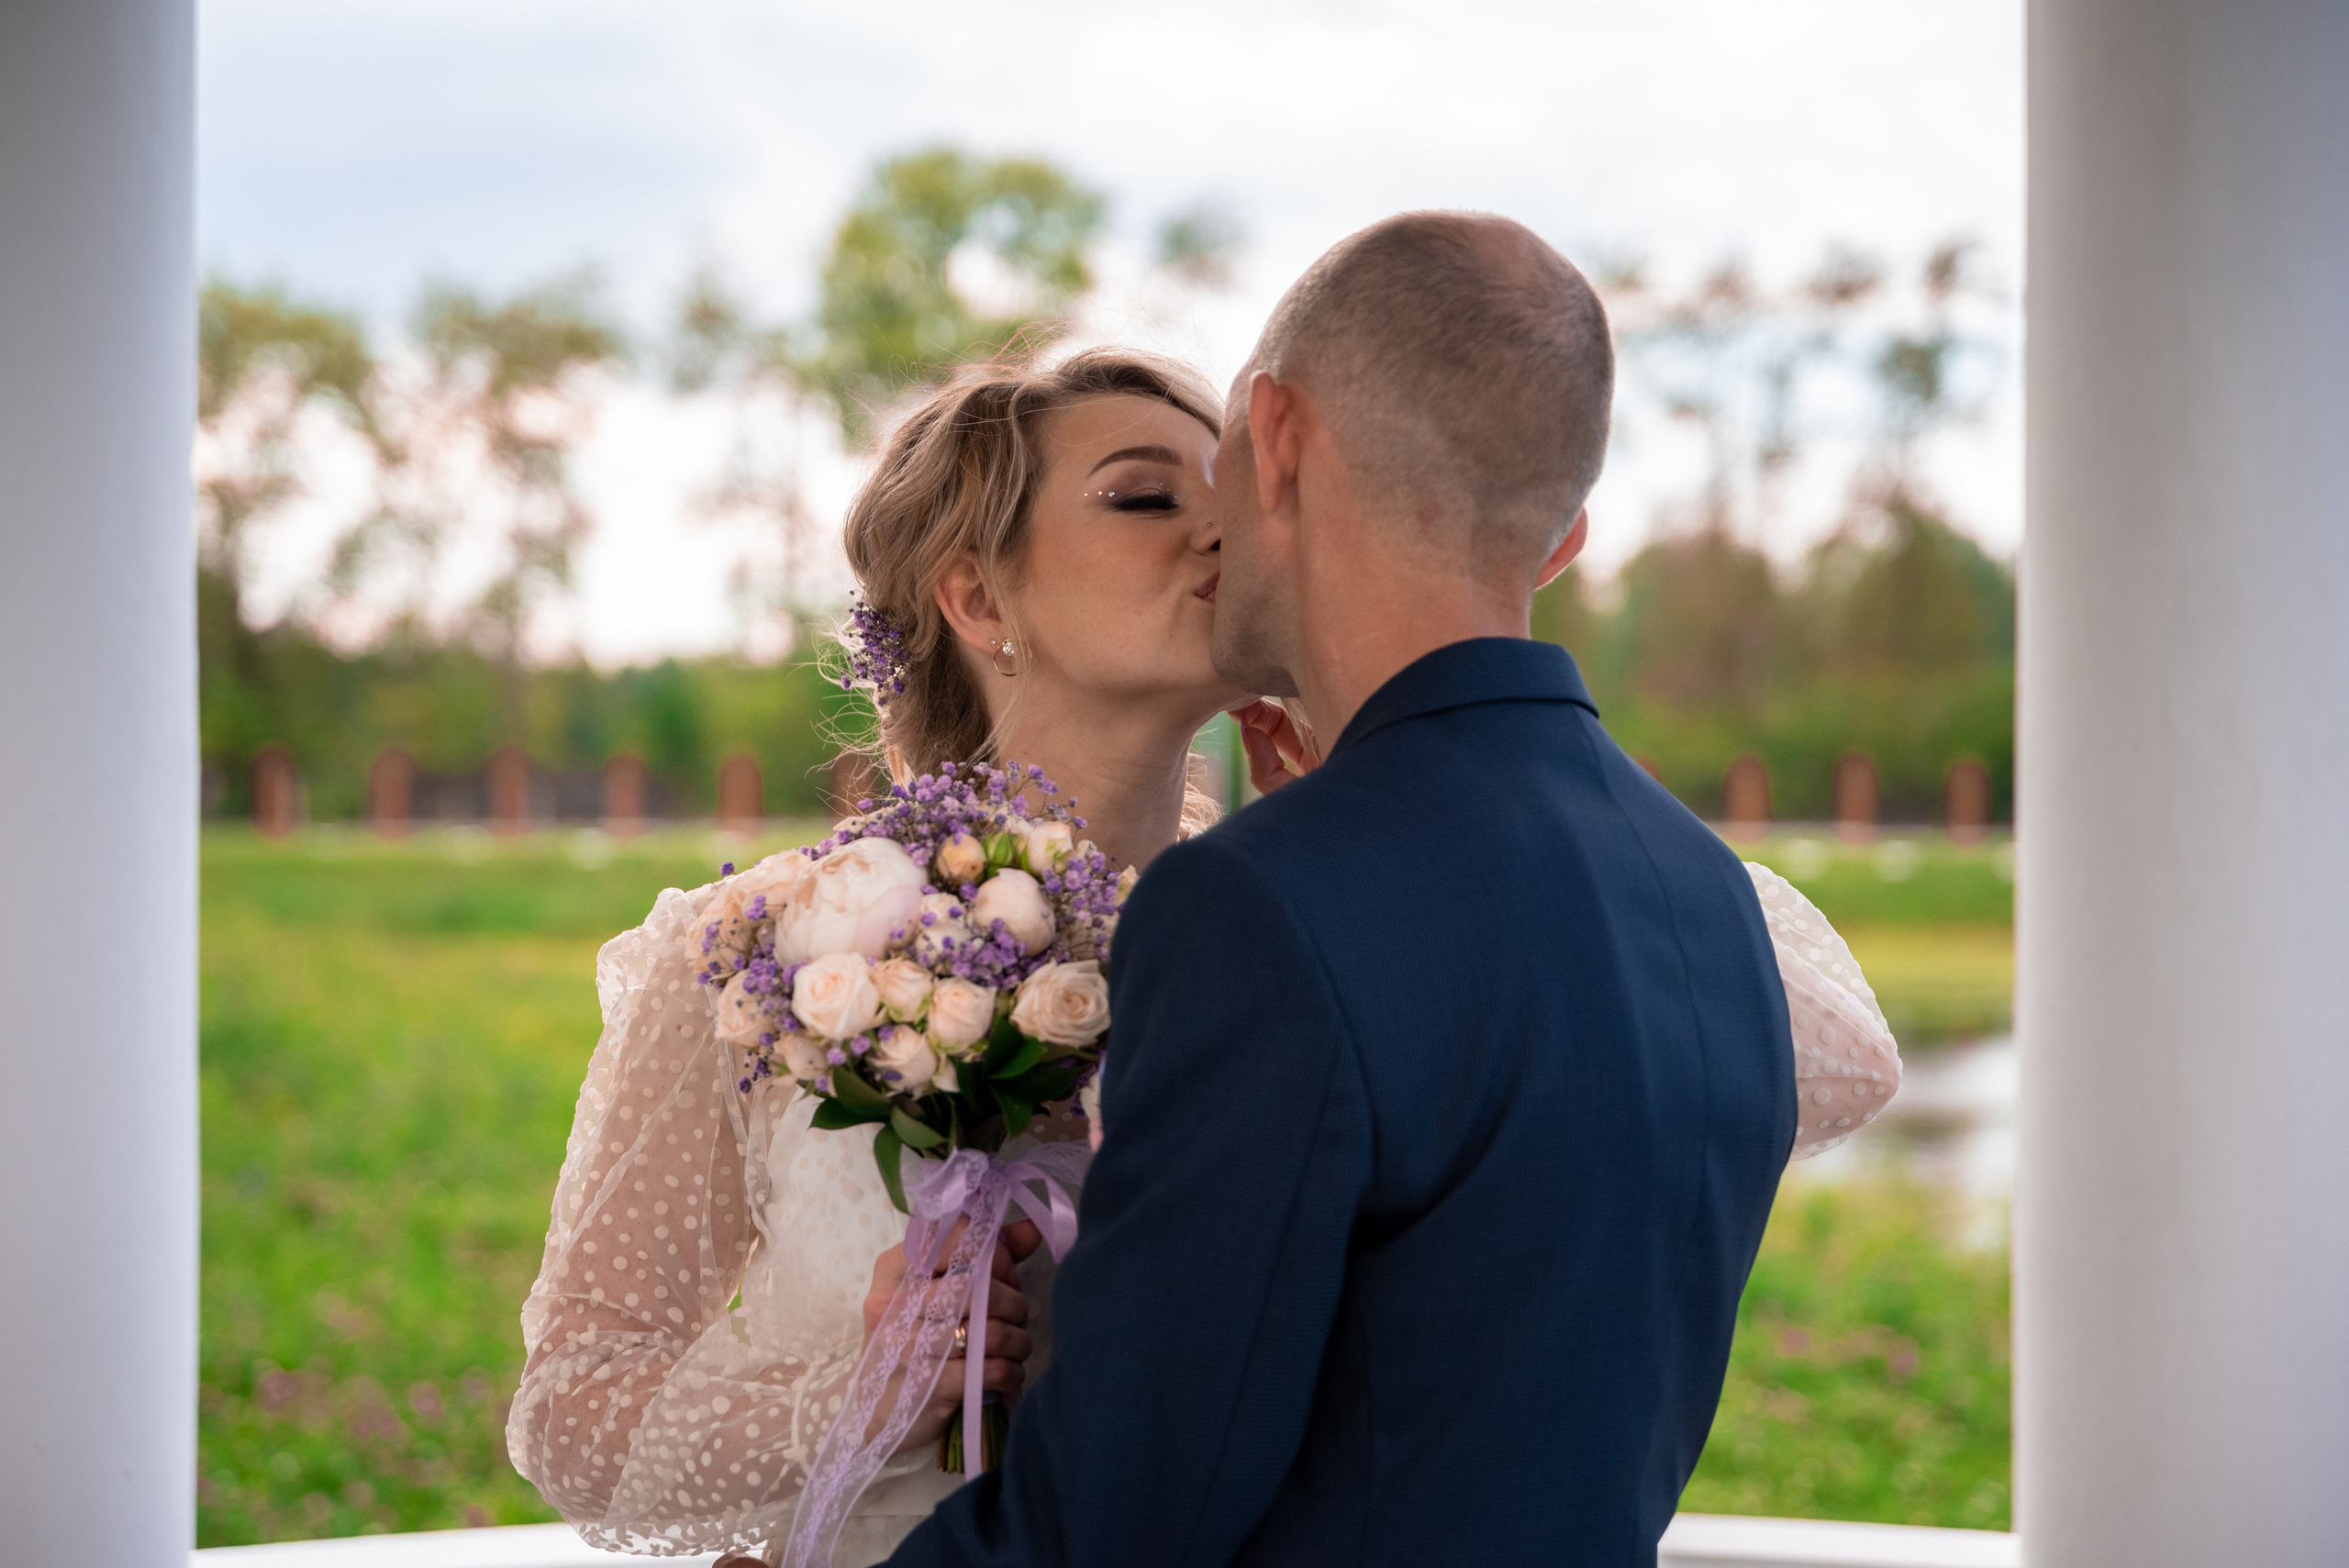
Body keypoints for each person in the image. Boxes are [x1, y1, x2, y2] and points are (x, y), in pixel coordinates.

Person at [507, 222, 1898, 1567]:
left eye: (1225, 483)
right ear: (980, 596)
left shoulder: (1304, 911)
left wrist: (1402, 790)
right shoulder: (762, 951)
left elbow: (1829, 1046)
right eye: (1144, 495)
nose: (1220, 531)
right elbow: (569, 1409)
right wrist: (855, 1394)